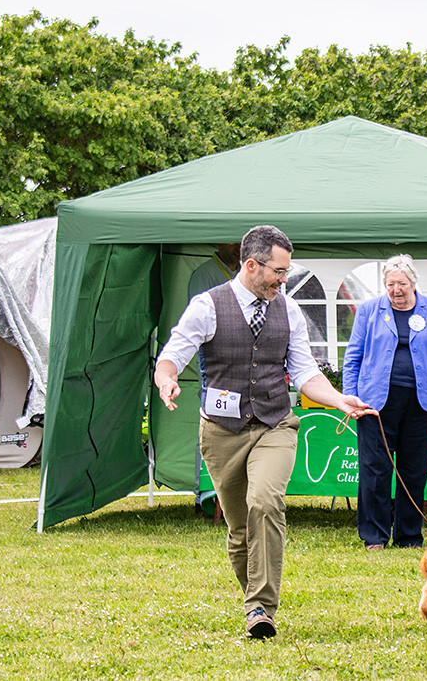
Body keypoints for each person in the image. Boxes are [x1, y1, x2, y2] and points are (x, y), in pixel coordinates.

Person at [153, 225, 375, 639]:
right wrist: (166, 380)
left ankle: (260, 607)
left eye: (286, 271)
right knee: (240, 531)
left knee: (265, 502)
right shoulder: (208, 306)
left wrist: (338, 398)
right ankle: (254, 599)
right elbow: (172, 354)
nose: (284, 280)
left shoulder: (288, 311)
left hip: (275, 424)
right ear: (252, 265)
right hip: (222, 431)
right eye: (279, 271)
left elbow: (305, 371)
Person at [343, 254, 427, 550]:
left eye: (402, 284)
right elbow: (352, 357)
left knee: (414, 470)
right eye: (391, 284)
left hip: (422, 402)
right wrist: (350, 398)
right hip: (375, 404)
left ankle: (408, 536)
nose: (396, 290)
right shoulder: (369, 310)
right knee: (374, 469)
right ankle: (374, 536)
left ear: (413, 283)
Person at [187, 243, 242, 514]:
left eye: (240, 243)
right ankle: (205, 494)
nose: (237, 248)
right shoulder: (204, 275)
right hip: (214, 362)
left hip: (242, 361)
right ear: (219, 243)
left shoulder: (245, 272)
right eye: (232, 243)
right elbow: (196, 323)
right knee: (211, 425)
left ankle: (235, 493)